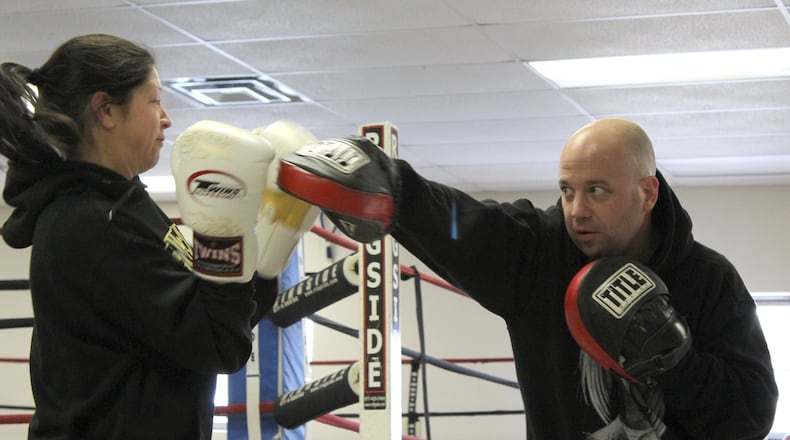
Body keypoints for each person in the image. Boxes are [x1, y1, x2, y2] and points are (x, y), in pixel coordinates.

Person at [277, 118, 778, 438]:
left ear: (647, 193)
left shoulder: (708, 280)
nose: (576, 210)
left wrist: (677, 362)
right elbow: (466, 225)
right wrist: (396, 188)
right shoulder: (538, 254)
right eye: (566, 190)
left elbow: (751, 417)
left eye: (597, 190)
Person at [0, 34, 282, 439]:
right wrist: (225, 233)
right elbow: (219, 346)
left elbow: (210, 319)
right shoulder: (93, 222)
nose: (166, 118)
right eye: (153, 101)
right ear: (107, 110)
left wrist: (272, 252)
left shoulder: (124, 204)